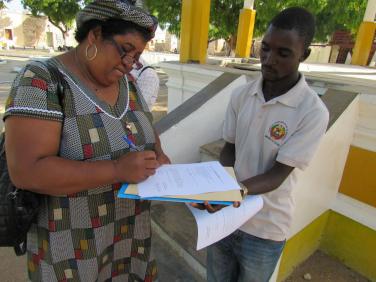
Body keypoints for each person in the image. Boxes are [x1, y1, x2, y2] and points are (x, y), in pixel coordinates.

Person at [3, 0, 170, 281]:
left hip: (130, 244)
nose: (129, 63)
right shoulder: (41, 80)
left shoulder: (128, 84)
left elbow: (146, 130)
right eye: (125, 50)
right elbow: (26, 171)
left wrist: (159, 155)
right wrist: (117, 169)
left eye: (137, 55)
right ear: (94, 35)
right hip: (70, 252)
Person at [193, 7, 329, 282]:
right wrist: (220, 184)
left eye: (283, 53)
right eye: (264, 48)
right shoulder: (242, 95)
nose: (268, 60)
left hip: (266, 229)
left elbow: (277, 175)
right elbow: (229, 149)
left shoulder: (312, 112)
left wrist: (233, 193)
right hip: (225, 219)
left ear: (304, 55)